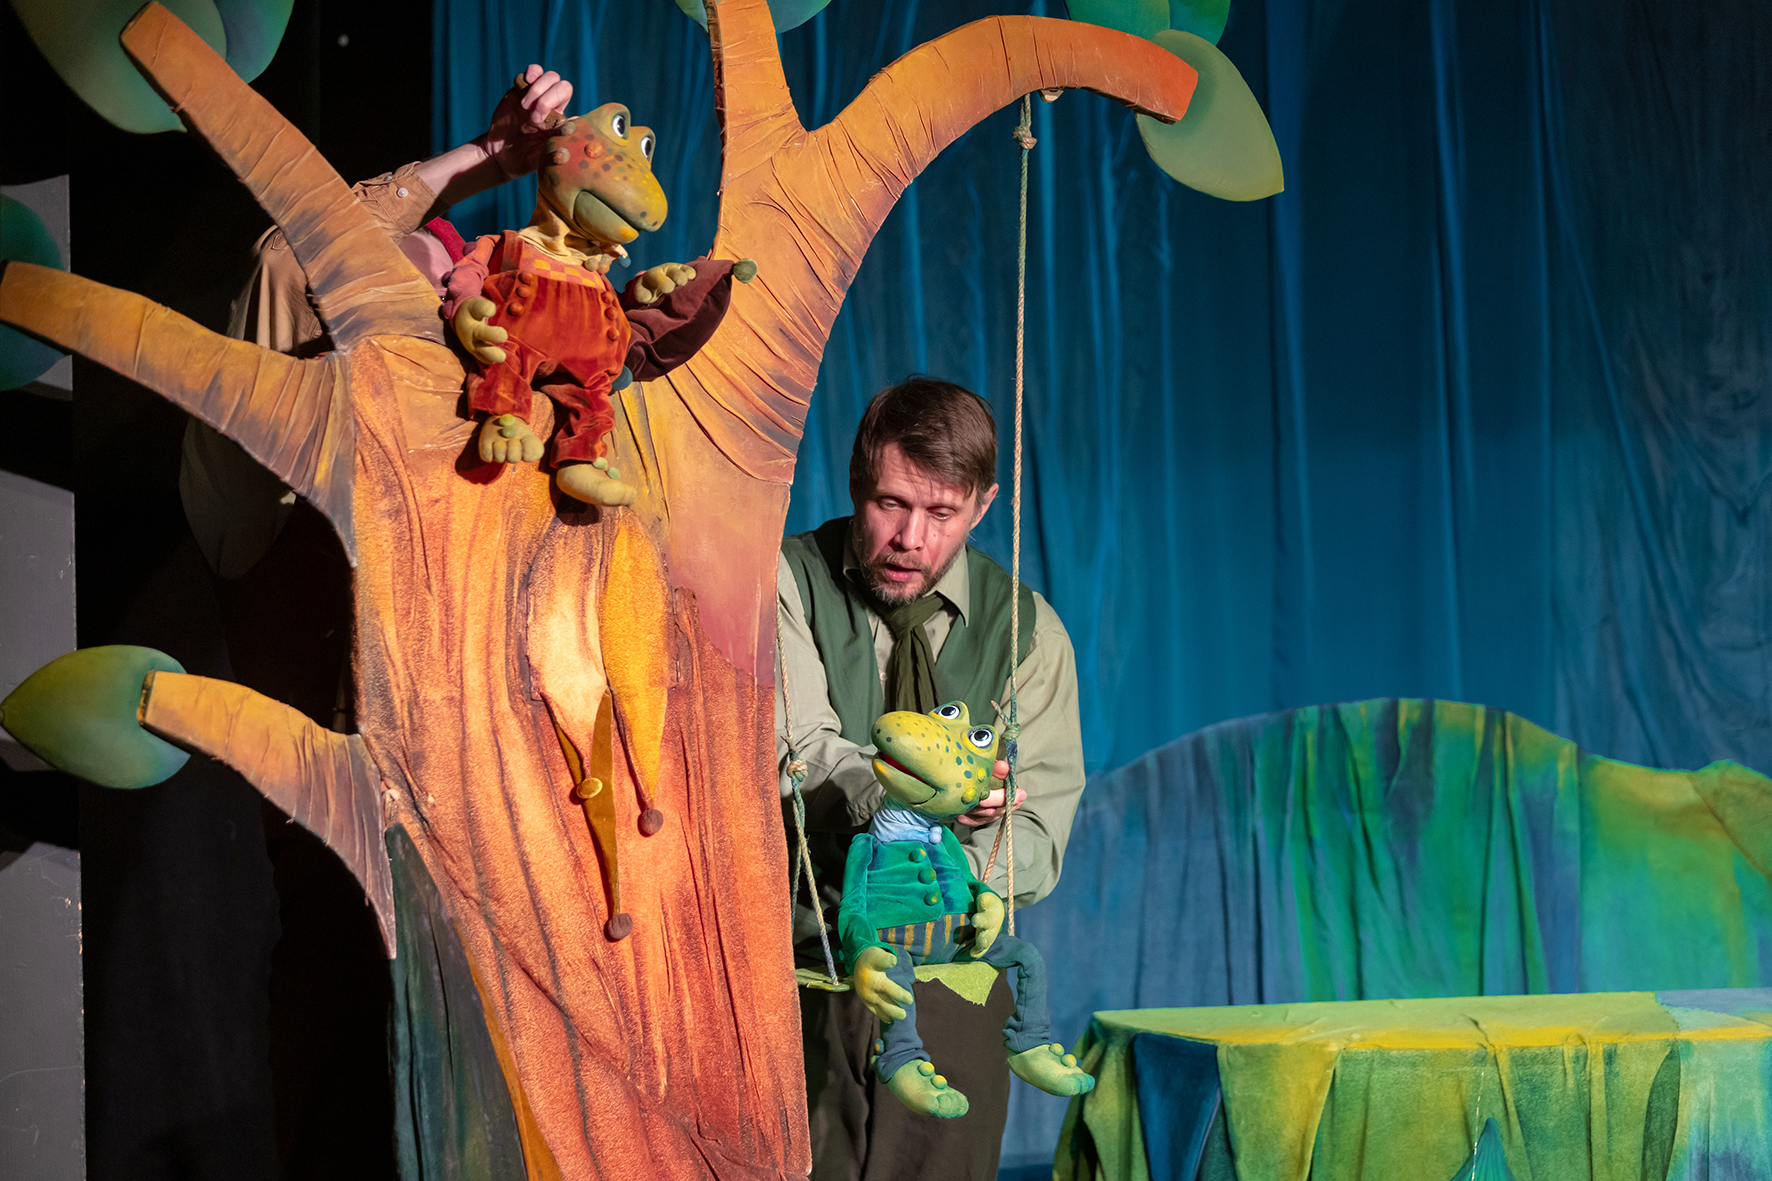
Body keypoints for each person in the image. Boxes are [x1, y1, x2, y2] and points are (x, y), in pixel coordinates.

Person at [776, 376, 1087, 1181]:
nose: (910, 537)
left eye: (941, 513)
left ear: (982, 506)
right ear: (856, 481)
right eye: (891, 503)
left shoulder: (1029, 634)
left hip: (954, 984)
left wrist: (957, 879)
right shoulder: (786, 583)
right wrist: (919, 803)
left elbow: (1039, 826)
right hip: (803, 970)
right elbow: (796, 749)